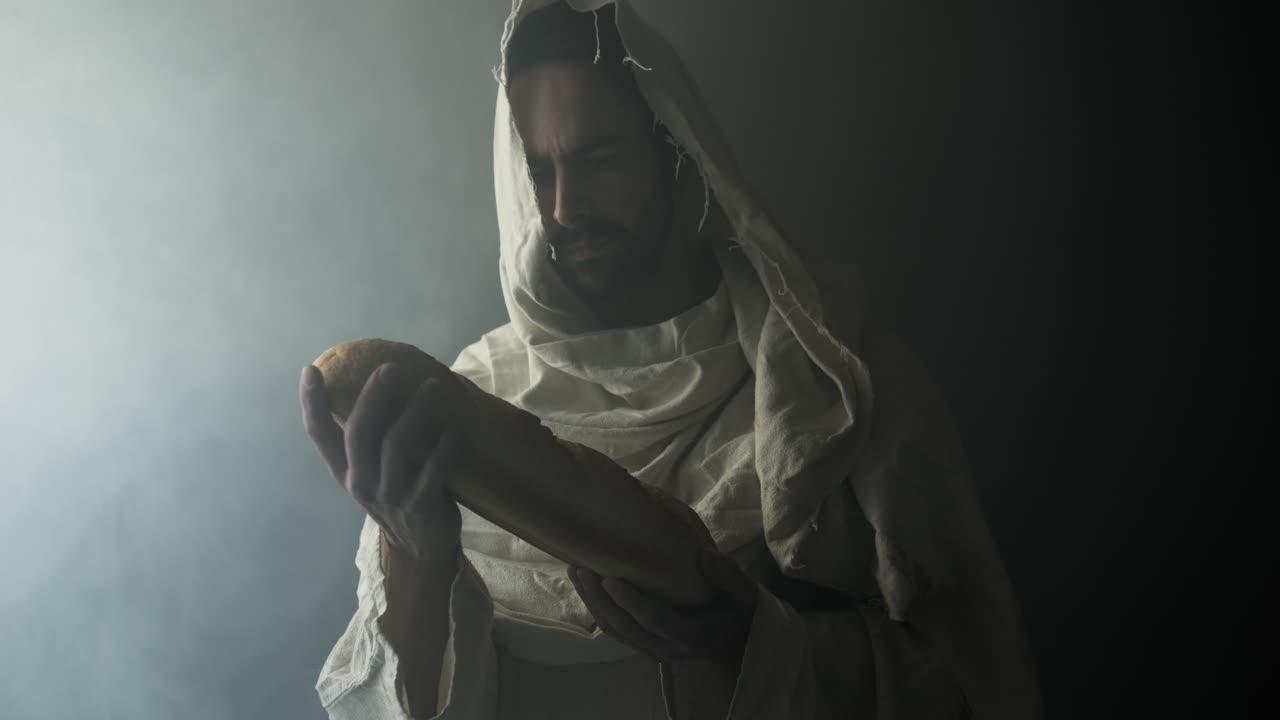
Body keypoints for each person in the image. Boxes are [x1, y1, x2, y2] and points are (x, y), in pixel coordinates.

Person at [300, 2, 1042, 718]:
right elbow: (383, 706)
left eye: (597, 160)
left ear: (673, 154)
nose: (564, 208)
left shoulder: (826, 373)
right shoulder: (460, 410)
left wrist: (750, 639)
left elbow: (965, 680)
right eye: (541, 171)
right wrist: (419, 564)